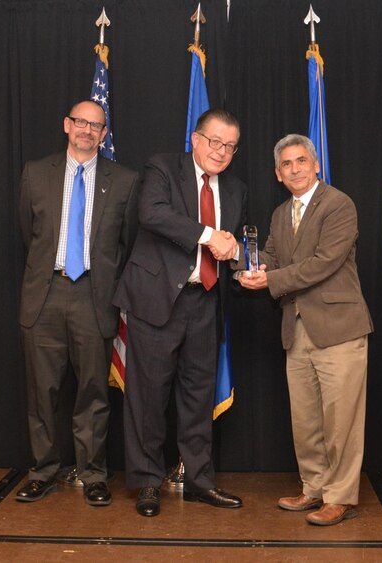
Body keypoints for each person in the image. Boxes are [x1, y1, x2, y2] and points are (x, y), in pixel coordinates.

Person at [113, 109, 247, 517]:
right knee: (148, 398)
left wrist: (242, 257)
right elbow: (152, 214)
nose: (221, 152)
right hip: (156, 299)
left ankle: (199, 482)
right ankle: (147, 481)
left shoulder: (237, 189)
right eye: (214, 142)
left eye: (230, 146)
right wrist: (209, 237)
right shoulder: (162, 168)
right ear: (196, 138)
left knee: (197, 397)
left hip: (205, 302)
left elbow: (236, 245)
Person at [238, 134, 373, 526]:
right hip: (296, 329)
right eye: (286, 165)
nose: (295, 169)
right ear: (277, 174)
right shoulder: (281, 214)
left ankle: (340, 496)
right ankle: (313, 488)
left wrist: (270, 279)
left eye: (301, 161)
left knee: (341, 419)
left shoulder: (339, 204)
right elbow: (273, 258)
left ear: (316, 165)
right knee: (307, 419)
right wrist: (240, 260)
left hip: (339, 329)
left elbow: (323, 262)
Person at [16, 100, 139, 506]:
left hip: (94, 297)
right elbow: (28, 233)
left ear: (104, 134)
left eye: (97, 125)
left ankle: (93, 475)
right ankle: (43, 471)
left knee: (92, 394)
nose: (88, 130)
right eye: (81, 122)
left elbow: (126, 243)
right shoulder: (36, 173)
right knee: (42, 393)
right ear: (67, 125)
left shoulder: (123, 180)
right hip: (45, 294)